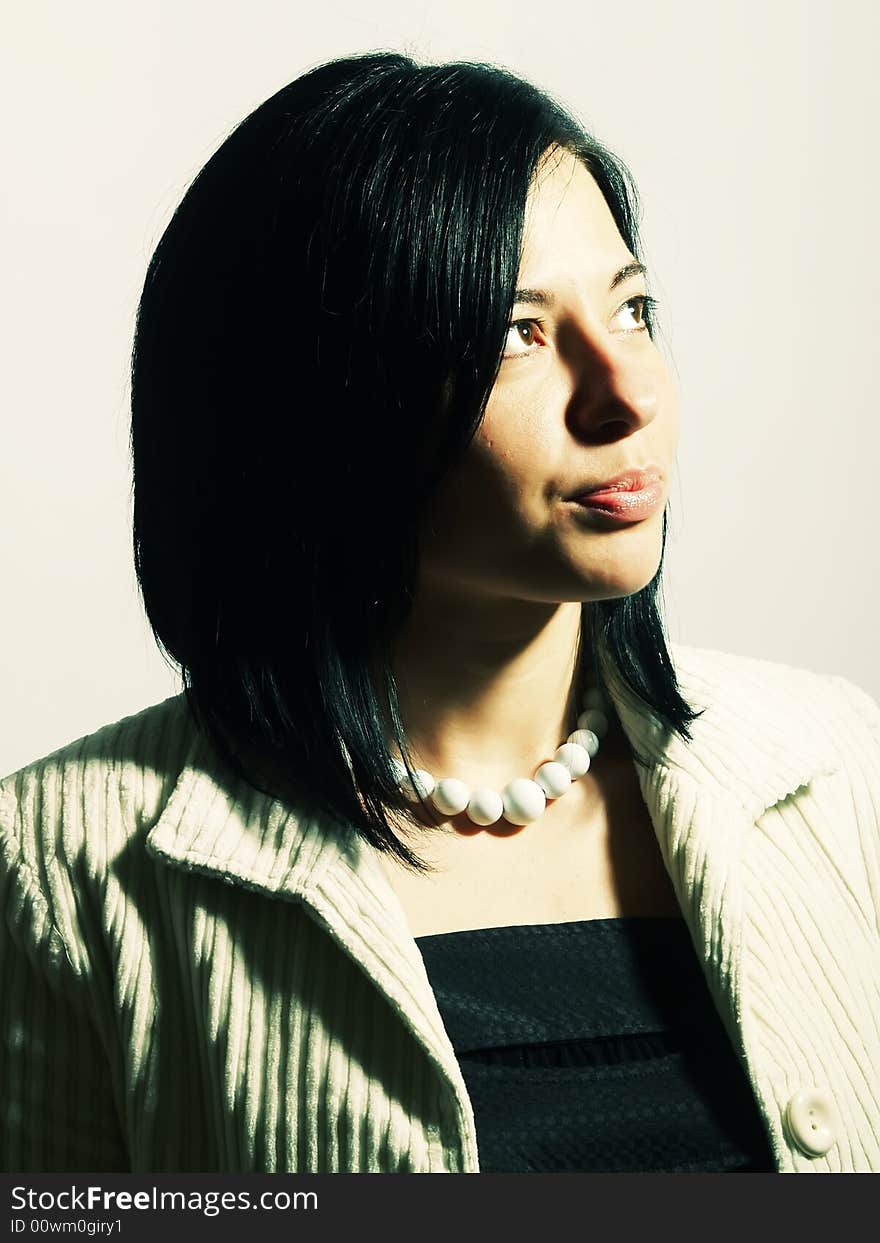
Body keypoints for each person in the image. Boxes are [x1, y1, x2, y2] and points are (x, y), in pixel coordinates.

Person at [1, 50, 879, 1176]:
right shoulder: (65, 870)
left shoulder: (837, 771)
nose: (629, 395)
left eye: (634, 307)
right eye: (516, 332)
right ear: (324, 397)